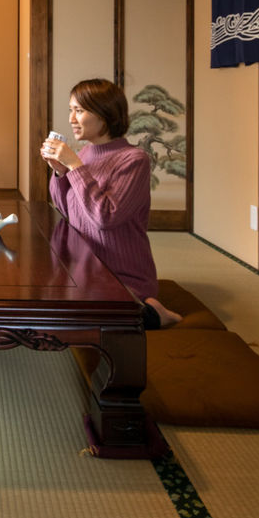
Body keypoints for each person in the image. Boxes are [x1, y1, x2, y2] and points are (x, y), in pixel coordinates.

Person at [41, 78, 181, 330]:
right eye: (71, 110)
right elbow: (66, 212)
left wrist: (74, 167)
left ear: (105, 115)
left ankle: (152, 312)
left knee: (78, 320)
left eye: (80, 111)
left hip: (120, 273)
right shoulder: (84, 154)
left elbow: (105, 218)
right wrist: (60, 172)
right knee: (47, 300)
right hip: (85, 268)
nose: (72, 118)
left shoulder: (134, 160)